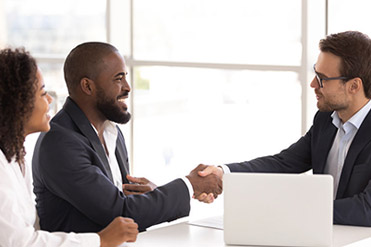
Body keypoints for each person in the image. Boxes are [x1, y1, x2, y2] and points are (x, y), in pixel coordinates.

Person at [32, 42, 222, 233]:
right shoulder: (60, 142)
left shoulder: (111, 132)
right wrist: (189, 185)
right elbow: (119, 212)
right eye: (118, 79)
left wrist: (156, 194)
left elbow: (124, 201)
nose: (128, 87)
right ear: (87, 86)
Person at [199, 30, 371, 227]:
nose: (313, 83)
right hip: (322, 234)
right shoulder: (326, 119)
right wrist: (223, 174)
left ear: (354, 86)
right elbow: (283, 163)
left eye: (322, 79)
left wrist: (289, 208)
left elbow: (367, 209)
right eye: (315, 73)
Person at [0, 47, 138, 246]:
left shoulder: (13, 156)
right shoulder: (58, 143)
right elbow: (19, 243)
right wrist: (101, 240)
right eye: (42, 93)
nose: (49, 100)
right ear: (16, 103)